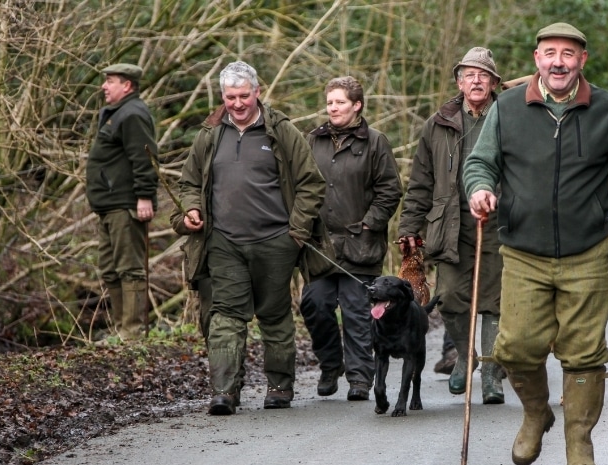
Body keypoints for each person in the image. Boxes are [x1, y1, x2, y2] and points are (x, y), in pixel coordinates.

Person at [463, 23, 608, 465]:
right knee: (517, 347)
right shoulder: (507, 107)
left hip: (586, 253)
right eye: (550, 52)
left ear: (582, 60)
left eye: (568, 53)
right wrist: (481, 188)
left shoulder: (605, 108)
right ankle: (535, 413)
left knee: (584, 352)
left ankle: (578, 440)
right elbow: (480, 162)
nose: (559, 61)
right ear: (536, 59)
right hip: (523, 252)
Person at [176, 61, 326, 416]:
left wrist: (297, 232)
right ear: (222, 96)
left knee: (274, 316)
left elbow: (311, 183)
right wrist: (192, 208)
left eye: (244, 95)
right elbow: (188, 183)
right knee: (225, 315)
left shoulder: (282, 131)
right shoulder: (209, 134)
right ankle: (225, 391)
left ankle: (279, 387)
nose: (238, 103)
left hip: (277, 241)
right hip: (224, 241)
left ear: (258, 92)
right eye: (231, 97)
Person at [397, 47, 506, 405]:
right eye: (469, 74)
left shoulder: (508, 117)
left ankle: (490, 373)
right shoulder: (438, 123)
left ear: (493, 82)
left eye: (483, 75)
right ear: (459, 82)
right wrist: (410, 227)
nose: (476, 80)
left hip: (498, 222)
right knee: (451, 299)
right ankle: (466, 355)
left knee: (494, 301)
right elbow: (420, 182)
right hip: (449, 224)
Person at [300, 76, 402, 401]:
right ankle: (331, 365)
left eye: (340, 102)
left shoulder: (375, 141)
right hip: (321, 247)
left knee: (358, 311)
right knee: (314, 304)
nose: (333, 107)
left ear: (356, 105)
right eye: (330, 102)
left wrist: (371, 223)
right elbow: (301, 185)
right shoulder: (312, 141)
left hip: (361, 244)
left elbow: (390, 189)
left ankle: (360, 378)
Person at [85, 63, 158, 342]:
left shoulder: (134, 114)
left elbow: (145, 158)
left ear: (127, 85)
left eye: (111, 81)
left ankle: (132, 336)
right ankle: (120, 330)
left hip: (126, 205)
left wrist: (143, 196)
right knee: (110, 269)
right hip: (107, 204)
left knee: (130, 270)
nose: (104, 86)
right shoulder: (114, 113)